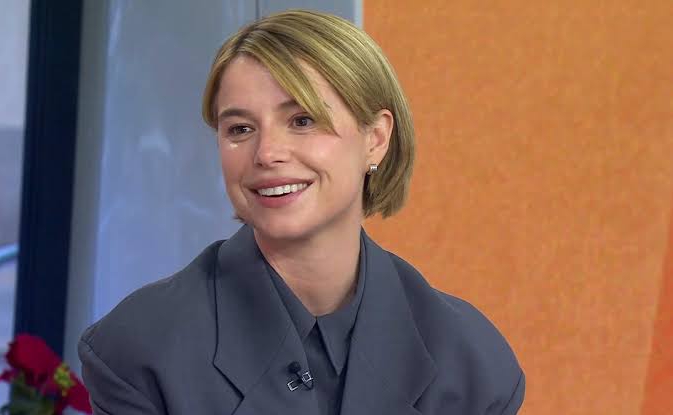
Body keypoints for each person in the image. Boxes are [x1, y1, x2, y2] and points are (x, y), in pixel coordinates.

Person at [78, 9, 525, 415]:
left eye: (302, 120)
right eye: (240, 129)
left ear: (376, 138)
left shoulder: (471, 363)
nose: (267, 153)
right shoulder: (139, 350)